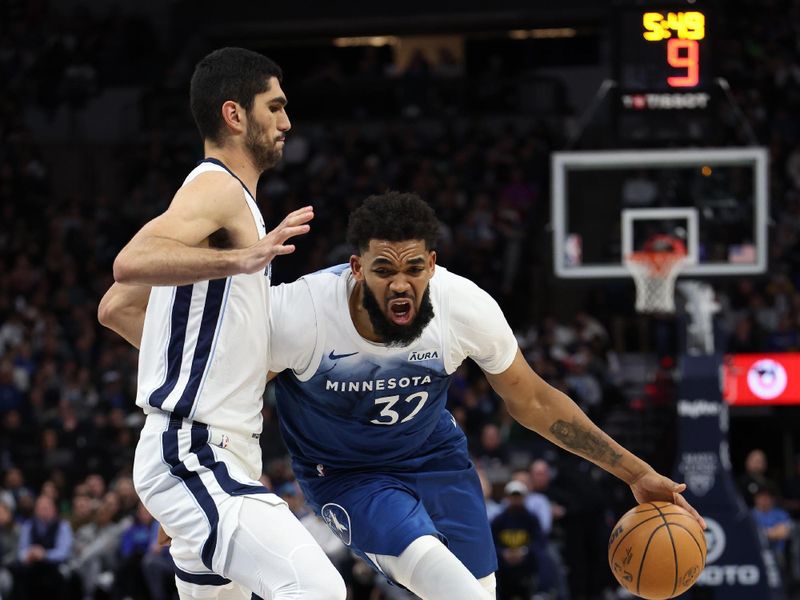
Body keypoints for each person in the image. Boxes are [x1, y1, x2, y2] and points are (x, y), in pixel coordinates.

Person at [266, 192, 705, 599]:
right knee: (444, 578)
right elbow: (230, 393)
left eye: (414, 268)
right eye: (384, 270)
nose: (401, 284)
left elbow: (533, 401)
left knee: (481, 589)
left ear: (432, 265)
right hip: (346, 473)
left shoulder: (462, 306)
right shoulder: (300, 314)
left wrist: (634, 472)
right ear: (357, 268)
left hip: (432, 455)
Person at [98, 47, 344, 599]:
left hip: (214, 456)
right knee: (318, 590)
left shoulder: (223, 199)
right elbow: (129, 263)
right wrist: (243, 259)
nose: (287, 121)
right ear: (235, 115)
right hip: (196, 452)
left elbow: (115, 307)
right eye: (274, 107)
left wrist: (224, 360)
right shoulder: (219, 188)